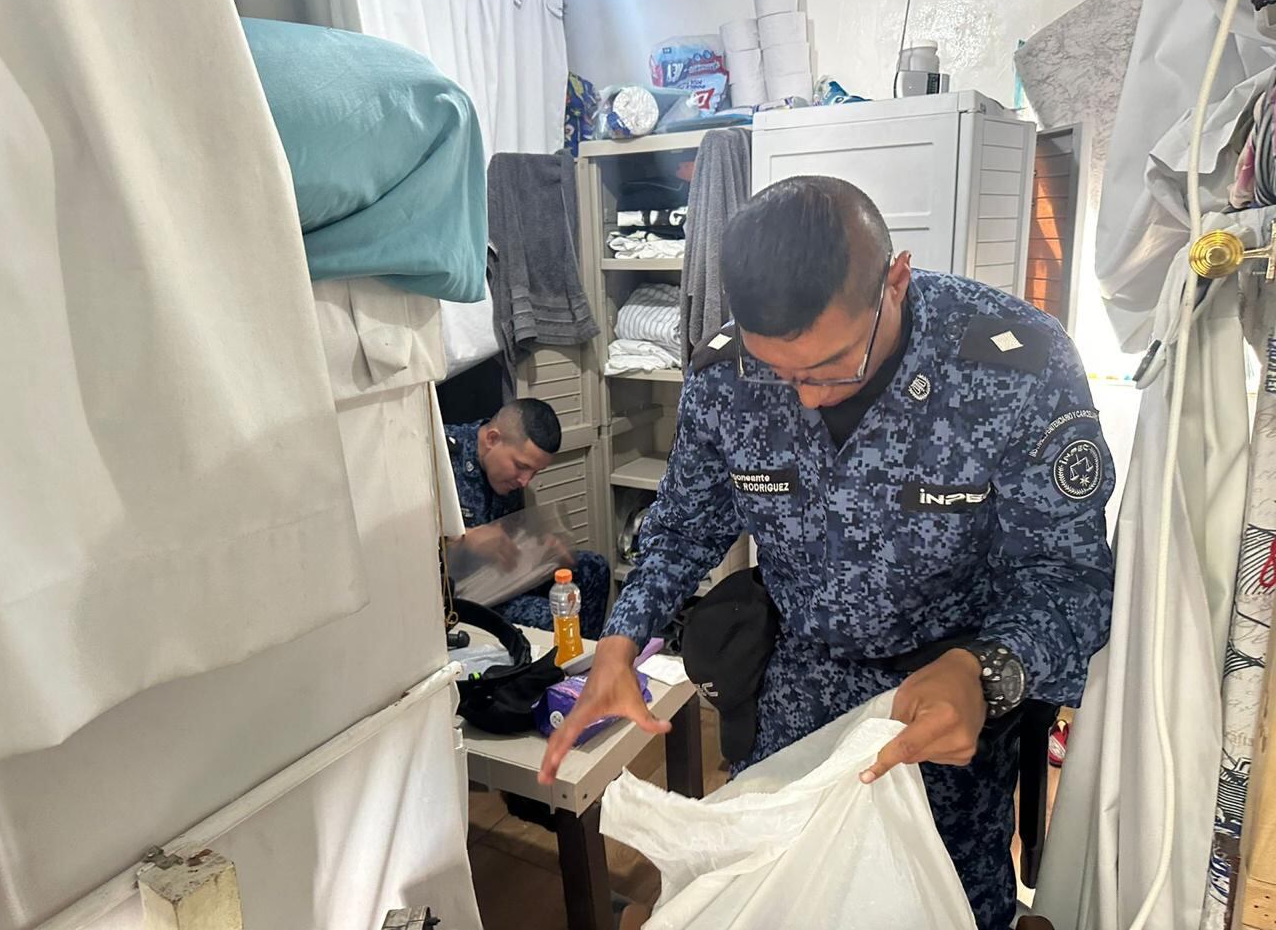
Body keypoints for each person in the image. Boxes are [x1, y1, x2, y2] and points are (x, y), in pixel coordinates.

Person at [538, 176, 1115, 929]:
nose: (806, 396)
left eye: (831, 366)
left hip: (941, 722)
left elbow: (1068, 583)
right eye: (782, 372)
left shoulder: (1016, 368)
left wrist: (987, 672)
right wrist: (621, 638)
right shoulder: (726, 377)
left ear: (896, 282)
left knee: (946, 908)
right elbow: (684, 526)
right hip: (795, 707)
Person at [445, 398, 610, 638]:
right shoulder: (440, 456)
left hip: (505, 575)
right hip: (461, 595)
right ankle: (559, 666)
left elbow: (512, 534)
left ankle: (583, 664)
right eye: (521, 466)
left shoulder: (506, 474)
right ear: (492, 439)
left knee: (594, 568)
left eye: (534, 472)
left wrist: (544, 548)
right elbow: (396, 547)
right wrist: (463, 540)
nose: (525, 481)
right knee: (551, 616)